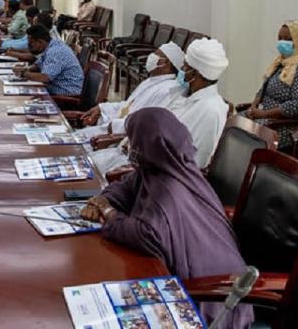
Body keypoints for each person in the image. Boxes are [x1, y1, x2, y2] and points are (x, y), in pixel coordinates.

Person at [80, 108, 253, 329]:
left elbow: (147, 235)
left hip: (212, 298)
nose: (130, 147)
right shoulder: (162, 167)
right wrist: (101, 200)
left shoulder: (169, 189)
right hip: (181, 276)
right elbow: (125, 187)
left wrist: (109, 213)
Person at [243, 20, 298, 149]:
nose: (282, 42)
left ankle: (253, 168)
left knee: (250, 136)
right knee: (234, 124)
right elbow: (265, 88)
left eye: (288, 39)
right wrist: (253, 107)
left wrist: (264, 114)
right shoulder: (284, 62)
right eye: (280, 38)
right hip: (272, 119)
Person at [79, 41, 186, 136]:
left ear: (164, 63)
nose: (151, 56)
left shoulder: (168, 90)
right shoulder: (152, 81)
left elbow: (145, 124)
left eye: (156, 54)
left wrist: (113, 126)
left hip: (119, 136)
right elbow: (129, 105)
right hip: (115, 126)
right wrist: (101, 108)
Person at [165, 38, 230, 168]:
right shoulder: (185, 94)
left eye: (185, 66)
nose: (182, 69)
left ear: (196, 73)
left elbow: (196, 161)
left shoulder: (211, 111)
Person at [15, 24, 84, 96]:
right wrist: (25, 69)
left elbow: (45, 77)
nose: (29, 45)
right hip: (56, 89)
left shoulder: (56, 51)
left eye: (31, 42)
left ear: (40, 42)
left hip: (66, 95)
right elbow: (38, 65)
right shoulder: (51, 46)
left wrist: (24, 73)